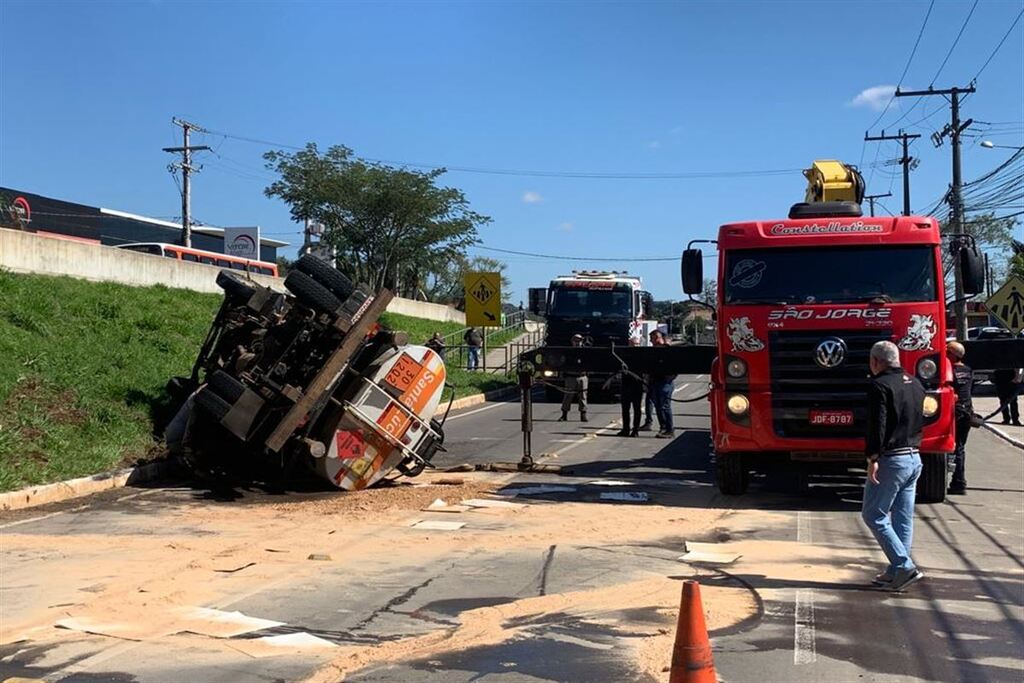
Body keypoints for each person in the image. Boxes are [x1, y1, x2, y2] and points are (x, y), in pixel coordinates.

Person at [862, 340, 926, 592]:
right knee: (902, 516)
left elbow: (877, 424)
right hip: (914, 456)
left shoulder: (879, 386)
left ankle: (903, 564)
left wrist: (872, 458)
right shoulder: (916, 384)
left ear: (876, 361)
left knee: (873, 514)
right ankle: (895, 571)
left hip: (892, 458)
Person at [946, 341, 972, 495]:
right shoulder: (968, 370)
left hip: (955, 412)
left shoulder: (949, 370)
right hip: (967, 412)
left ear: (952, 355)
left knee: (951, 446)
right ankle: (959, 481)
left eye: (947, 351)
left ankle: (958, 481)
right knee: (960, 447)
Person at [604, 338, 642, 437]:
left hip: (637, 386)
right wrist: (610, 380)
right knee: (625, 409)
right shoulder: (624, 355)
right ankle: (626, 429)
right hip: (626, 385)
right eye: (633, 344)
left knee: (637, 409)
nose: (635, 346)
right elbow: (617, 368)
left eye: (637, 344)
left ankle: (635, 430)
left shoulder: (641, 355)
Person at [648, 329, 676, 438]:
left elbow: (675, 368)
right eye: (652, 339)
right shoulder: (652, 351)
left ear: (660, 338)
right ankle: (663, 428)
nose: (653, 341)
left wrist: (668, 379)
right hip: (655, 382)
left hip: (665, 383)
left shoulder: (668, 351)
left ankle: (669, 429)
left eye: (655, 338)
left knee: (665, 406)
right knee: (658, 407)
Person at [559, 334, 588, 422]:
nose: (577, 342)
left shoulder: (585, 352)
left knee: (583, 396)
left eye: (579, 340)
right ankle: (564, 415)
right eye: (575, 340)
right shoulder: (568, 352)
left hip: (582, 376)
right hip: (570, 376)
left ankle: (583, 415)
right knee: (568, 395)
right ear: (572, 342)